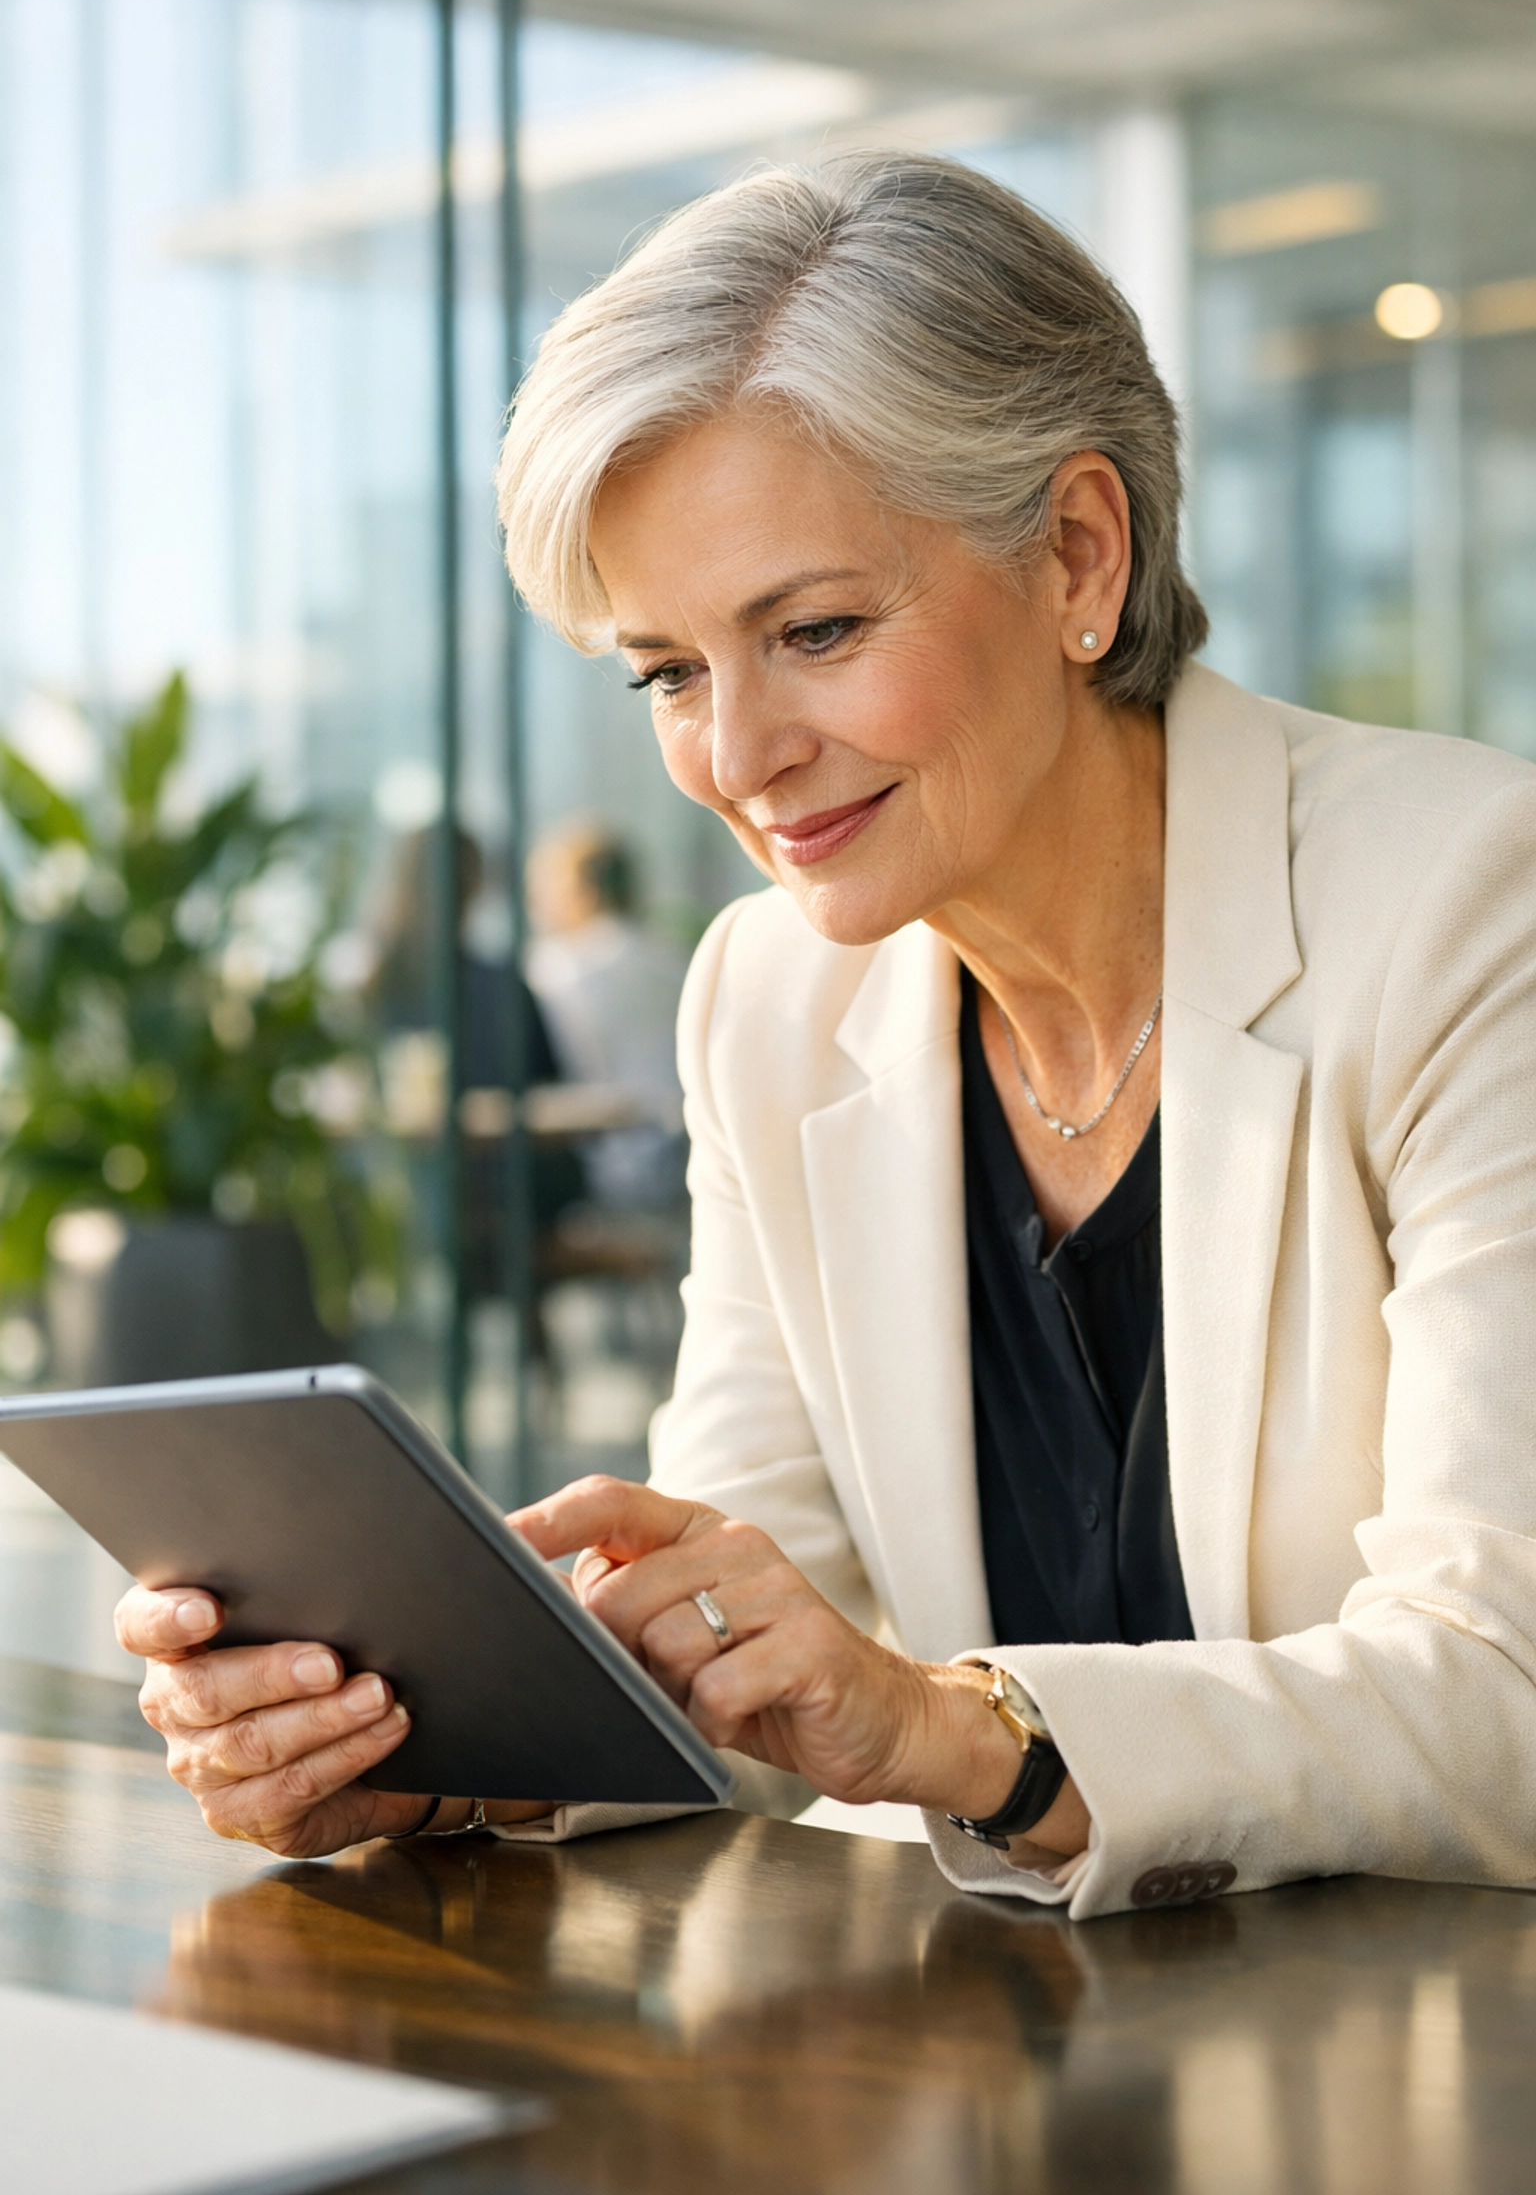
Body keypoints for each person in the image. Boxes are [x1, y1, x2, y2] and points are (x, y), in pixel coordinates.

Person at [118, 153, 1536, 1921]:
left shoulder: (1476, 897)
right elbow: (733, 1647)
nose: (735, 752)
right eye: (667, 670)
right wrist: (426, 1742)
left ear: (1078, 553)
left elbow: (1502, 1691)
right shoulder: (769, 999)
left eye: (814, 630)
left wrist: (961, 1727)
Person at [526, 820, 689, 1212]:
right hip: (682, 1160)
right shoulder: (675, 962)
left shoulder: (556, 970)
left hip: (596, 1166)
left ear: (577, 890)